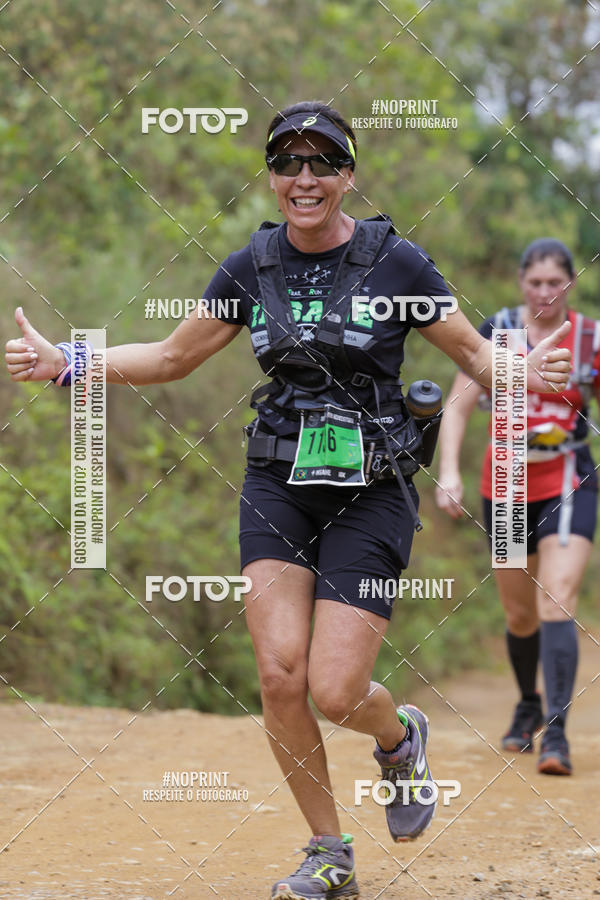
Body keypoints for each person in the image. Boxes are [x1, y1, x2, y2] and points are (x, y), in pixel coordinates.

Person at [5, 104, 572, 899]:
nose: (303, 178)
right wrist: (67, 359)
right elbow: (172, 356)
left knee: (337, 691)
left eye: (321, 162)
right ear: (273, 176)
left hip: (372, 491)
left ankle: (399, 735)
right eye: (287, 162)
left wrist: (524, 371)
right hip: (277, 483)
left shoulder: (398, 265)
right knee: (279, 675)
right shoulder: (251, 267)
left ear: (348, 175)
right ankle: (327, 851)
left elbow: (476, 355)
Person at [435, 238, 598, 778]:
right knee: (520, 611)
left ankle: (556, 731)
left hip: (569, 473)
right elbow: (458, 404)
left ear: (570, 284)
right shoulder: (497, 331)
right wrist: (451, 471)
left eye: (556, 283)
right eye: (536, 283)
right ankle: (527, 702)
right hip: (504, 480)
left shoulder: (590, 338)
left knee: (557, 600)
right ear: (520, 283)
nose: (545, 292)